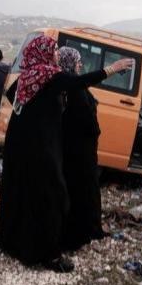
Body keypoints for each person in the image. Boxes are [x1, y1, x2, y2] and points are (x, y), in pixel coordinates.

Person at [0, 34, 133, 273]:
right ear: (43, 53)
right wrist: (112, 69)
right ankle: (48, 254)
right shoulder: (49, 76)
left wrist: (36, 113)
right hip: (41, 148)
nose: (57, 54)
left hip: (19, 146)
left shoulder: (27, 77)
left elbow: (11, 96)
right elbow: (80, 81)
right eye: (54, 50)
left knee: (23, 193)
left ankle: (15, 243)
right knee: (52, 197)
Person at [59, 46, 105, 251]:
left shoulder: (72, 85)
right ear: (69, 64)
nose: (80, 65)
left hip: (80, 148)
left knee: (87, 188)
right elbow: (81, 119)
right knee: (82, 190)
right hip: (79, 151)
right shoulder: (73, 88)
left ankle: (91, 229)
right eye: (77, 62)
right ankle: (80, 233)